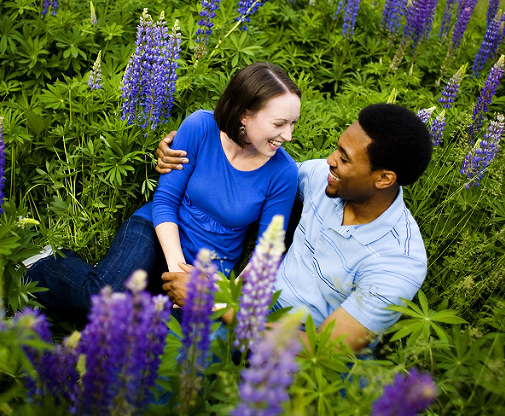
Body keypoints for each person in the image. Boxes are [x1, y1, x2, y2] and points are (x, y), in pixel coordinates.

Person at [25, 62, 302, 317]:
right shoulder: (201, 127)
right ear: (244, 114)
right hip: (156, 232)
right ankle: (45, 265)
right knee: (103, 300)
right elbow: (165, 201)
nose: (288, 135)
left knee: (148, 338)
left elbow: (267, 252)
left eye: (293, 124)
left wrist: (223, 299)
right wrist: (178, 271)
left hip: (209, 268)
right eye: (279, 124)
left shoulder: (283, 173)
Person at [157, 103, 433, 352]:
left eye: (345, 158)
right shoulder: (323, 180)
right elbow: (264, 169)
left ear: (384, 179)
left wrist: (215, 305)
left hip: (298, 343)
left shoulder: (398, 261)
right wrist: (184, 144)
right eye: (337, 148)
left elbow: (321, 348)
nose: (330, 160)